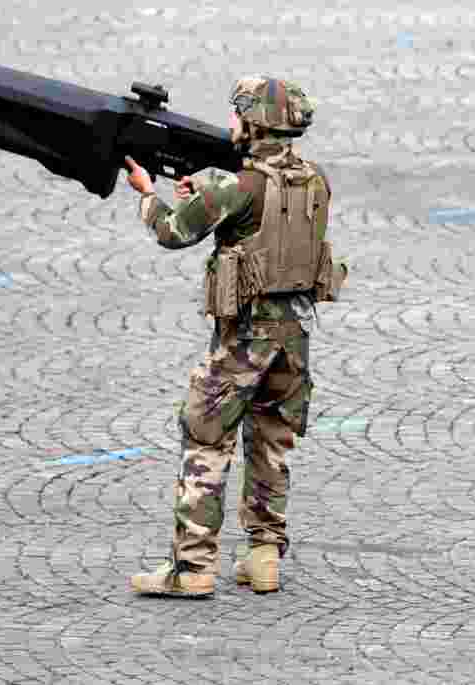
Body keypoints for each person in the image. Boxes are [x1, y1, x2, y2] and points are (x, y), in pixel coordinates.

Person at [125, 76, 344, 597]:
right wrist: (202, 192)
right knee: (272, 439)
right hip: (294, 336)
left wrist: (146, 197)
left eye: (235, 114)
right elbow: (266, 224)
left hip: (244, 338)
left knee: (205, 436)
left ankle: (192, 569)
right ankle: (263, 558)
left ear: (251, 122)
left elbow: (173, 233)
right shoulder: (315, 181)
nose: (228, 123)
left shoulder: (236, 185)